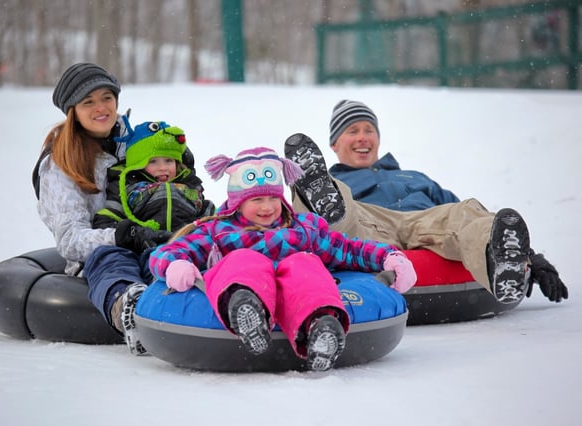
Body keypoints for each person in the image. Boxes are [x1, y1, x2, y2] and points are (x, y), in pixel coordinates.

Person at [149, 147, 417, 371]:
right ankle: (245, 308)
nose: (266, 208)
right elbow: (168, 251)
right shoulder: (218, 232)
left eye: (272, 198)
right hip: (247, 282)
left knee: (305, 264)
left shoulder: (304, 229)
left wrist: (387, 257)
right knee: (243, 259)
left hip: (295, 287)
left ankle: (320, 326)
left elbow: (347, 249)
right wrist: (175, 264)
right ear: (236, 204)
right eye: (256, 200)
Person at [284, 99, 568, 306]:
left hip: (425, 222)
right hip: (370, 224)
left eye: (369, 130)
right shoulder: (338, 182)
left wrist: (531, 256)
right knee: (339, 209)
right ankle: (317, 199)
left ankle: (501, 262)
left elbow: (466, 216)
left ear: (378, 138)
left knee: (463, 211)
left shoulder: (413, 176)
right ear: (334, 144)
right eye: (352, 131)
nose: (362, 137)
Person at [33, 63, 190, 355]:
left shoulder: (135, 145)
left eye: (106, 97)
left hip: (154, 244)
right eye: (88, 102)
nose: (101, 108)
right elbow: (69, 241)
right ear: (72, 111)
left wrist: (183, 166)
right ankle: (128, 308)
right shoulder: (59, 166)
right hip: (101, 258)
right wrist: (122, 236)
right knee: (112, 258)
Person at [92, 119, 214, 253]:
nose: (162, 168)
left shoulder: (191, 187)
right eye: (153, 162)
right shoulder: (128, 187)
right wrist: (134, 234)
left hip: (186, 249)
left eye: (169, 160)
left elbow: (208, 220)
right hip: (143, 249)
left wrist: (199, 236)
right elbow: (107, 219)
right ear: (139, 165)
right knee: (113, 259)